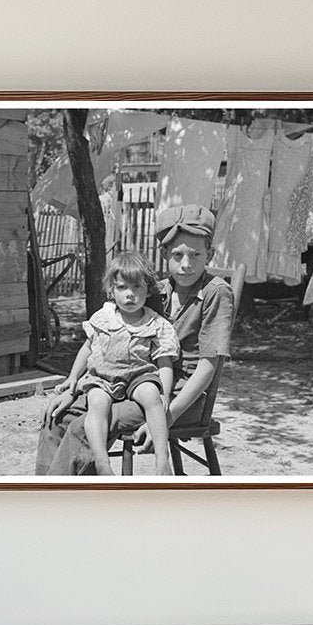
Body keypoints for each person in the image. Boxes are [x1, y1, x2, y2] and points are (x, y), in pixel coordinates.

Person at [37, 204, 235, 476]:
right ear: (165, 254)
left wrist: (167, 417)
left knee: (81, 427)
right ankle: (47, 493)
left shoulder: (216, 293)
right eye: (177, 255)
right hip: (133, 382)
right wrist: (72, 389)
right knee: (55, 417)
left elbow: (208, 368)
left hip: (181, 398)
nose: (186, 265)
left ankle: (62, 501)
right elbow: (103, 342)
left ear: (209, 254)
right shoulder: (157, 291)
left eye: (196, 255)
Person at [50, 251, 179, 476]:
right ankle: (102, 462)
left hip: (138, 375)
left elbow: (164, 361)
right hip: (103, 376)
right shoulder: (105, 316)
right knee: (98, 404)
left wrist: (165, 393)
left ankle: (162, 458)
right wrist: (73, 377)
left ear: (148, 290)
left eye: (137, 287)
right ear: (111, 290)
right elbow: (87, 348)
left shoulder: (155, 323)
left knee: (151, 395)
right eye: (122, 288)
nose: (130, 295)